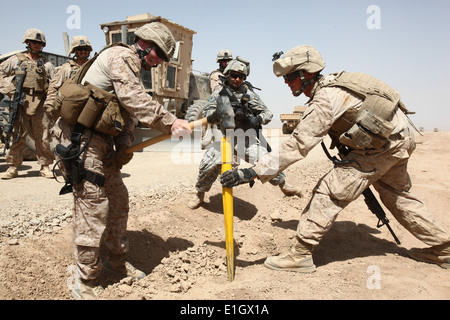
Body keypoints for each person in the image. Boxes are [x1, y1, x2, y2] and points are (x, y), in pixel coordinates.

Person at [220, 45, 450, 272]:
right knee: (397, 195)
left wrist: (253, 171)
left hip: (380, 149)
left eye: (290, 76)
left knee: (329, 191)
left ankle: (300, 255)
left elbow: (299, 144)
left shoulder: (326, 98)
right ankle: (443, 248)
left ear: (307, 74)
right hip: (399, 140)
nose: (286, 82)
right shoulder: (337, 85)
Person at [51, 22, 192, 299]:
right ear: (146, 46)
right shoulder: (122, 57)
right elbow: (134, 99)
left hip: (101, 144)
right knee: (93, 207)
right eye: (159, 55)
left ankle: (115, 260)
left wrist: (125, 145)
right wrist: (170, 121)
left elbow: (126, 113)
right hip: (82, 142)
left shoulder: (133, 67)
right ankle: (86, 280)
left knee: (118, 200)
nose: (160, 62)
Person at [188, 58, 302, 210]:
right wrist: (222, 113)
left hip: (245, 139)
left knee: (267, 160)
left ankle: (284, 185)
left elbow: (267, 113)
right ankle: (200, 194)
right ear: (227, 75)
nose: (237, 79)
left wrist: (256, 119)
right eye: (234, 75)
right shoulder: (218, 95)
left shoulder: (249, 95)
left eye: (241, 77)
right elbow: (207, 113)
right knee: (208, 164)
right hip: (224, 139)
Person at [0, 28, 55, 179]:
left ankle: (45, 166)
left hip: (40, 103)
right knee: (17, 135)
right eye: (34, 42)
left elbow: (55, 83)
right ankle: (12, 167)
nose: (37, 45)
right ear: (27, 42)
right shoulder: (16, 60)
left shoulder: (46, 64)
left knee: (43, 136)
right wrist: (10, 90)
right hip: (21, 102)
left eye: (40, 43)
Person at [44, 36, 93, 121]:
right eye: (80, 49)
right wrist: (50, 104)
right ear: (75, 51)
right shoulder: (66, 68)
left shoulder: (94, 67)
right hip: (69, 109)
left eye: (86, 49)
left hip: (89, 109)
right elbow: (53, 87)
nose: (83, 51)